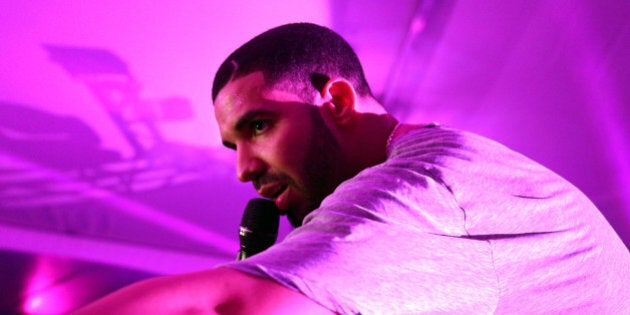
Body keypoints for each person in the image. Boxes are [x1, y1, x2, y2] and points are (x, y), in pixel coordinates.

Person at [73, 23, 630, 314]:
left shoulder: (431, 184)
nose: (244, 169)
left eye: (259, 126)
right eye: (232, 145)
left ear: (335, 100)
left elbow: (223, 308)